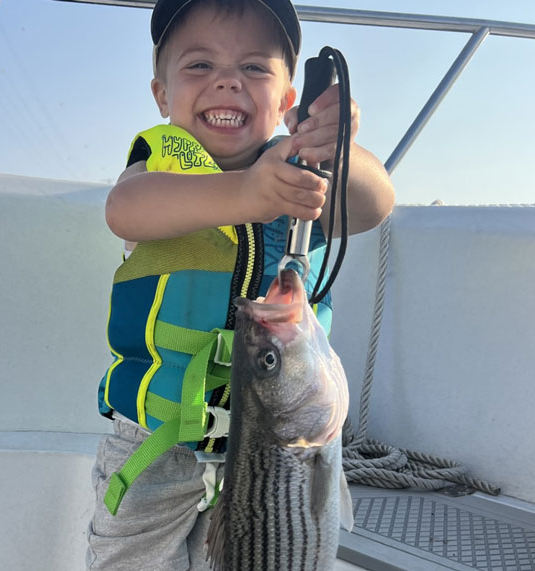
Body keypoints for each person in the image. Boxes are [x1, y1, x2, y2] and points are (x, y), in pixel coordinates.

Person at [86, 0, 395, 569]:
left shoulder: (305, 174)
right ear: (162, 94)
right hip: (153, 449)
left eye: (254, 68)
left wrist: (341, 151)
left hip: (271, 449)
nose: (227, 81)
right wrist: (249, 195)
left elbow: (374, 205)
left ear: (285, 102)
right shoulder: (158, 169)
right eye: (200, 66)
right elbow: (123, 208)